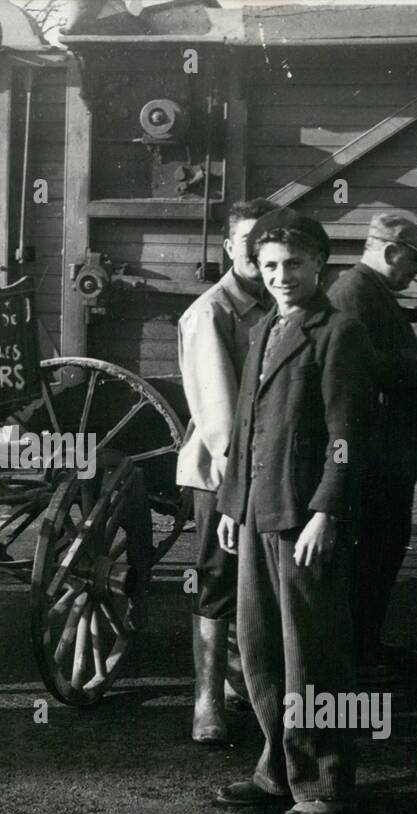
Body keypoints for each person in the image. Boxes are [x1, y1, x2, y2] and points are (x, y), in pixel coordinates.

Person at [214, 214, 372, 814]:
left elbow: (346, 435)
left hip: (303, 520)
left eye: (294, 265)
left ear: (320, 267)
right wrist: (233, 507)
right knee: (260, 646)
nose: (281, 276)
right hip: (258, 513)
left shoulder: (340, 332)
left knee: (314, 654)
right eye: (271, 265)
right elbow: (247, 427)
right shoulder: (265, 328)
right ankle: (275, 770)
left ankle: (326, 783)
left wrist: (327, 510)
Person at [175, 198, 278, 743]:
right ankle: (206, 702)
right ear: (228, 248)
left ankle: (244, 684)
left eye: (268, 242)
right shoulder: (211, 313)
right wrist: (243, 485)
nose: (259, 253)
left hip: (268, 469)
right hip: (225, 473)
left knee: (254, 583)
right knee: (216, 581)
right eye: (248, 242)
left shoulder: (277, 303)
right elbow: (218, 417)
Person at [327, 214, 417, 682]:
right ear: (391, 251)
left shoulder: (367, 291)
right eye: (413, 260)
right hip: (375, 459)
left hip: (383, 456)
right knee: (371, 556)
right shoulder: (355, 292)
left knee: (379, 554)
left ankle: (364, 644)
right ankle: (355, 654)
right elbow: (353, 366)